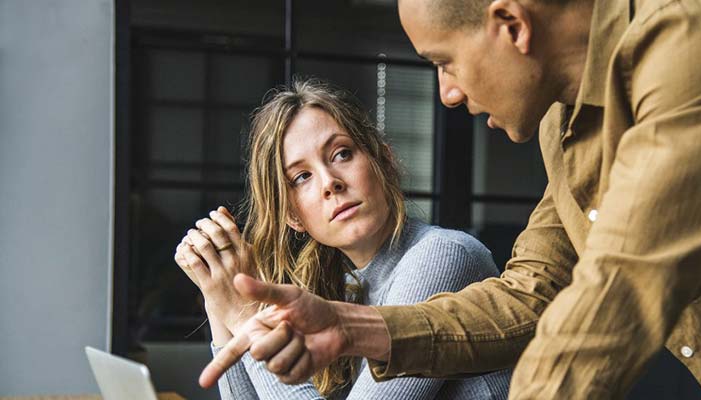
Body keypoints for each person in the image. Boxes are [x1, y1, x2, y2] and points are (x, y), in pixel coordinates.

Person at [201, 0, 701, 398]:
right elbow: (533, 294)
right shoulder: (562, 123)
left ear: (510, 23)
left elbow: (620, 290)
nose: (448, 94)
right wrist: (348, 328)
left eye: (443, 62)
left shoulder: (700, 36)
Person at [175, 79, 512, 399]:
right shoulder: (342, 286)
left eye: (341, 154)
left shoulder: (443, 256)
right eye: (302, 176)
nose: (329, 182)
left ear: (384, 161)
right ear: (293, 217)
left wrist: (245, 317)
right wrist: (218, 293)